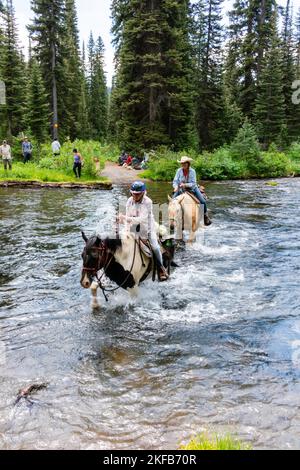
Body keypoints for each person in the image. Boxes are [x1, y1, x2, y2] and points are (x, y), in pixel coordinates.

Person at [119, 181, 169, 282]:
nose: (135, 195)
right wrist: (126, 230)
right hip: (133, 228)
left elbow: (141, 219)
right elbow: (128, 219)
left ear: (143, 193)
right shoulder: (129, 201)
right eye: (133, 193)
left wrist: (124, 217)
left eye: (137, 194)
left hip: (147, 229)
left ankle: (161, 268)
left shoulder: (148, 202)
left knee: (155, 247)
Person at [173, 156, 212, 226]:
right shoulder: (178, 171)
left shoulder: (192, 171)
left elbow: (193, 183)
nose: (183, 164)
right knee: (172, 202)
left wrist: (185, 185)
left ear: (188, 163)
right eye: (182, 163)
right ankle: (172, 218)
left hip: (193, 188)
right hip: (180, 188)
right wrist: (175, 187)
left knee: (202, 201)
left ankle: (205, 216)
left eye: (185, 163)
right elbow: (175, 181)